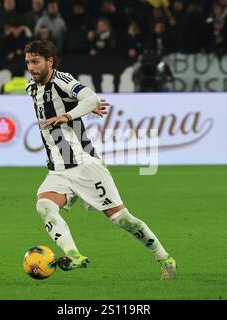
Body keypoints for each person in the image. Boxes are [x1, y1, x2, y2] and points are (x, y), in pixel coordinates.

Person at [24, 40, 177, 280]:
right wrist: (79, 108)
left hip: (86, 166)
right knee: (44, 206)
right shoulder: (32, 88)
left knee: (123, 220)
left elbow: (92, 98)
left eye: (35, 61)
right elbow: (80, 104)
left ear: (49, 61)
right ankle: (74, 255)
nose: (31, 67)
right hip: (58, 170)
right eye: (28, 62)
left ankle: (165, 258)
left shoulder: (62, 80)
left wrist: (69, 114)